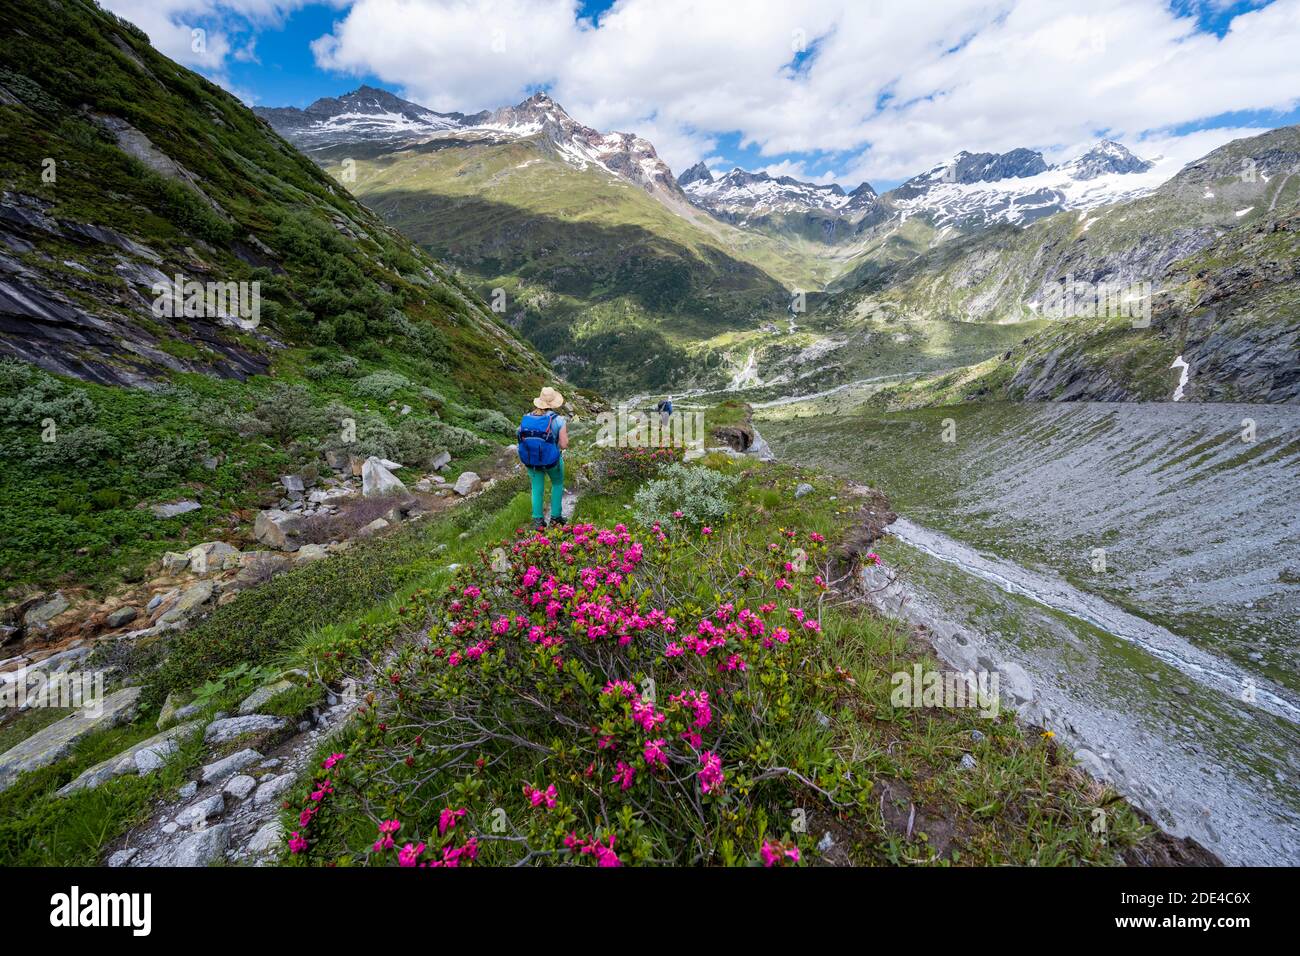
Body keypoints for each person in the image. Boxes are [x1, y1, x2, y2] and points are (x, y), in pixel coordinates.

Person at [517, 386, 569, 531]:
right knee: (557, 484)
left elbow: (520, 437)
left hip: (531, 460)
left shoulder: (526, 418)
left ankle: (538, 521)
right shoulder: (558, 420)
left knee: (536, 487)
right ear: (553, 404)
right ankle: (556, 518)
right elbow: (564, 445)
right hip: (551, 460)